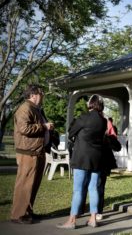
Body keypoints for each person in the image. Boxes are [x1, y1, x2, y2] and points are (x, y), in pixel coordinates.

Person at [57, 94, 107, 229]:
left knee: (78, 189)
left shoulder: (84, 117)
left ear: (90, 104)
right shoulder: (104, 121)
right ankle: (93, 219)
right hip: (97, 158)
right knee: (93, 188)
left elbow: (70, 131)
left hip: (81, 157)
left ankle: (72, 221)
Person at [11, 84, 54, 224]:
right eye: (41, 93)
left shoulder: (36, 109)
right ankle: (19, 215)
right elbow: (24, 128)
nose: (43, 95)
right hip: (28, 152)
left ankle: (28, 212)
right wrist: (44, 126)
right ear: (33, 95)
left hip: (37, 150)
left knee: (33, 184)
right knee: (25, 184)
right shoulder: (25, 108)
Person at [96, 118, 121, 221]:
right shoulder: (91, 126)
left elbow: (117, 147)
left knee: (100, 187)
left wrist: (109, 136)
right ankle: (81, 209)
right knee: (86, 186)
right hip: (90, 161)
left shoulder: (110, 129)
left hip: (103, 163)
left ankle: (98, 211)